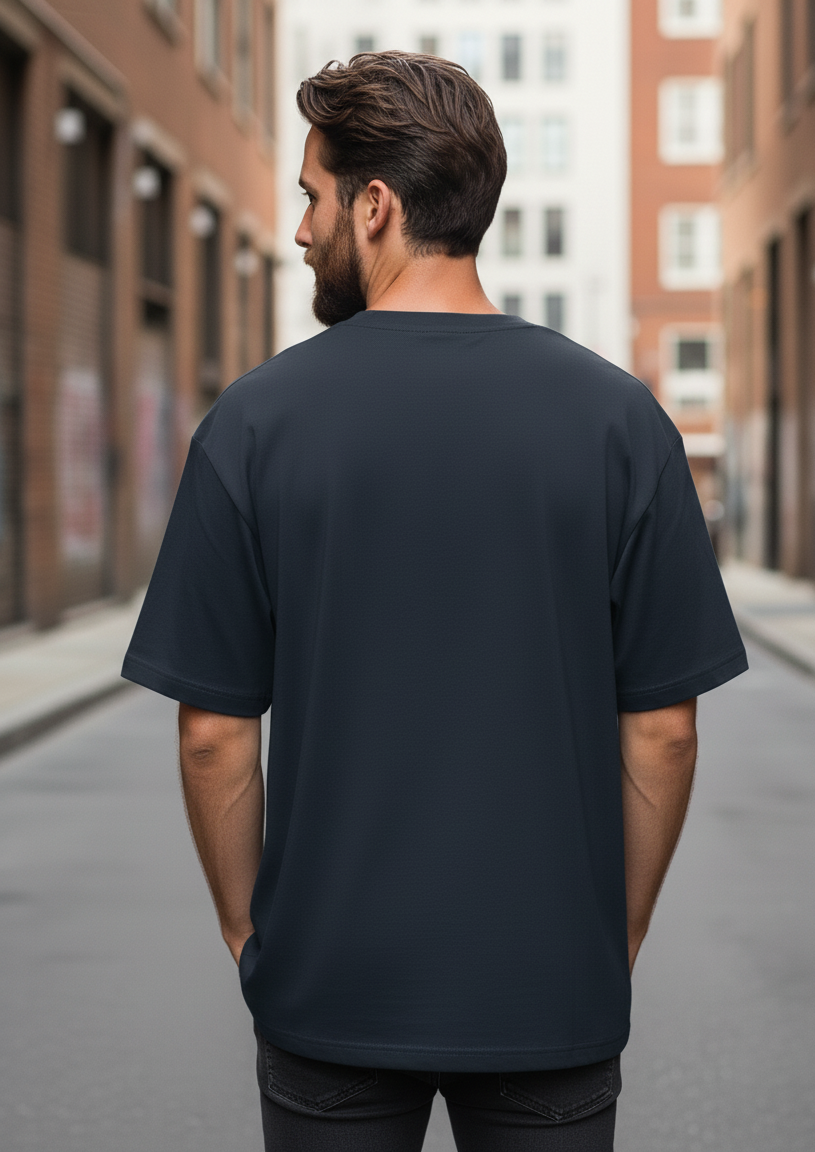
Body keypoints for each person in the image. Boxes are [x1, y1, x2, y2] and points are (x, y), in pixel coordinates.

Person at [122, 51, 748, 1152]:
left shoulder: (253, 426)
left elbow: (214, 735)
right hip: (547, 988)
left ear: (375, 205)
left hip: (331, 986)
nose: (300, 230)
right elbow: (662, 731)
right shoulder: (621, 424)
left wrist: (249, 936)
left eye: (313, 197)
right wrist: (607, 940)